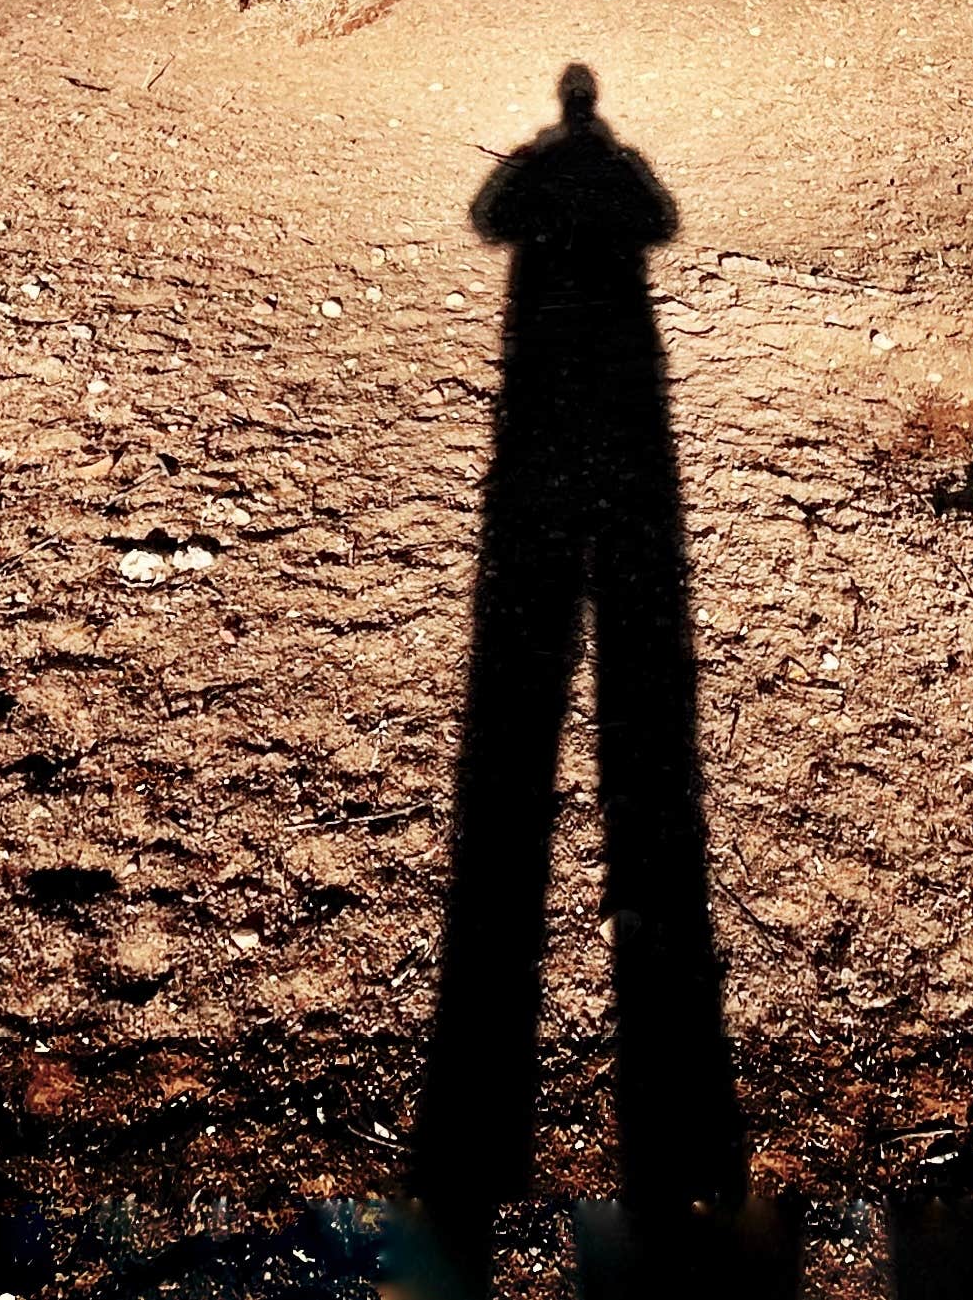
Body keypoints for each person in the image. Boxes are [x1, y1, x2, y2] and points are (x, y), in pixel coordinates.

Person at [405, 65, 750, 1296]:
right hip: (609, 403)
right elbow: (651, 222)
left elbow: (492, 220)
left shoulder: (543, 177)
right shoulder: (610, 179)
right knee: (635, 711)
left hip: (550, 406)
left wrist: (545, 187)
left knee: (529, 721)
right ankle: (675, 1183)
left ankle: (466, 1174)